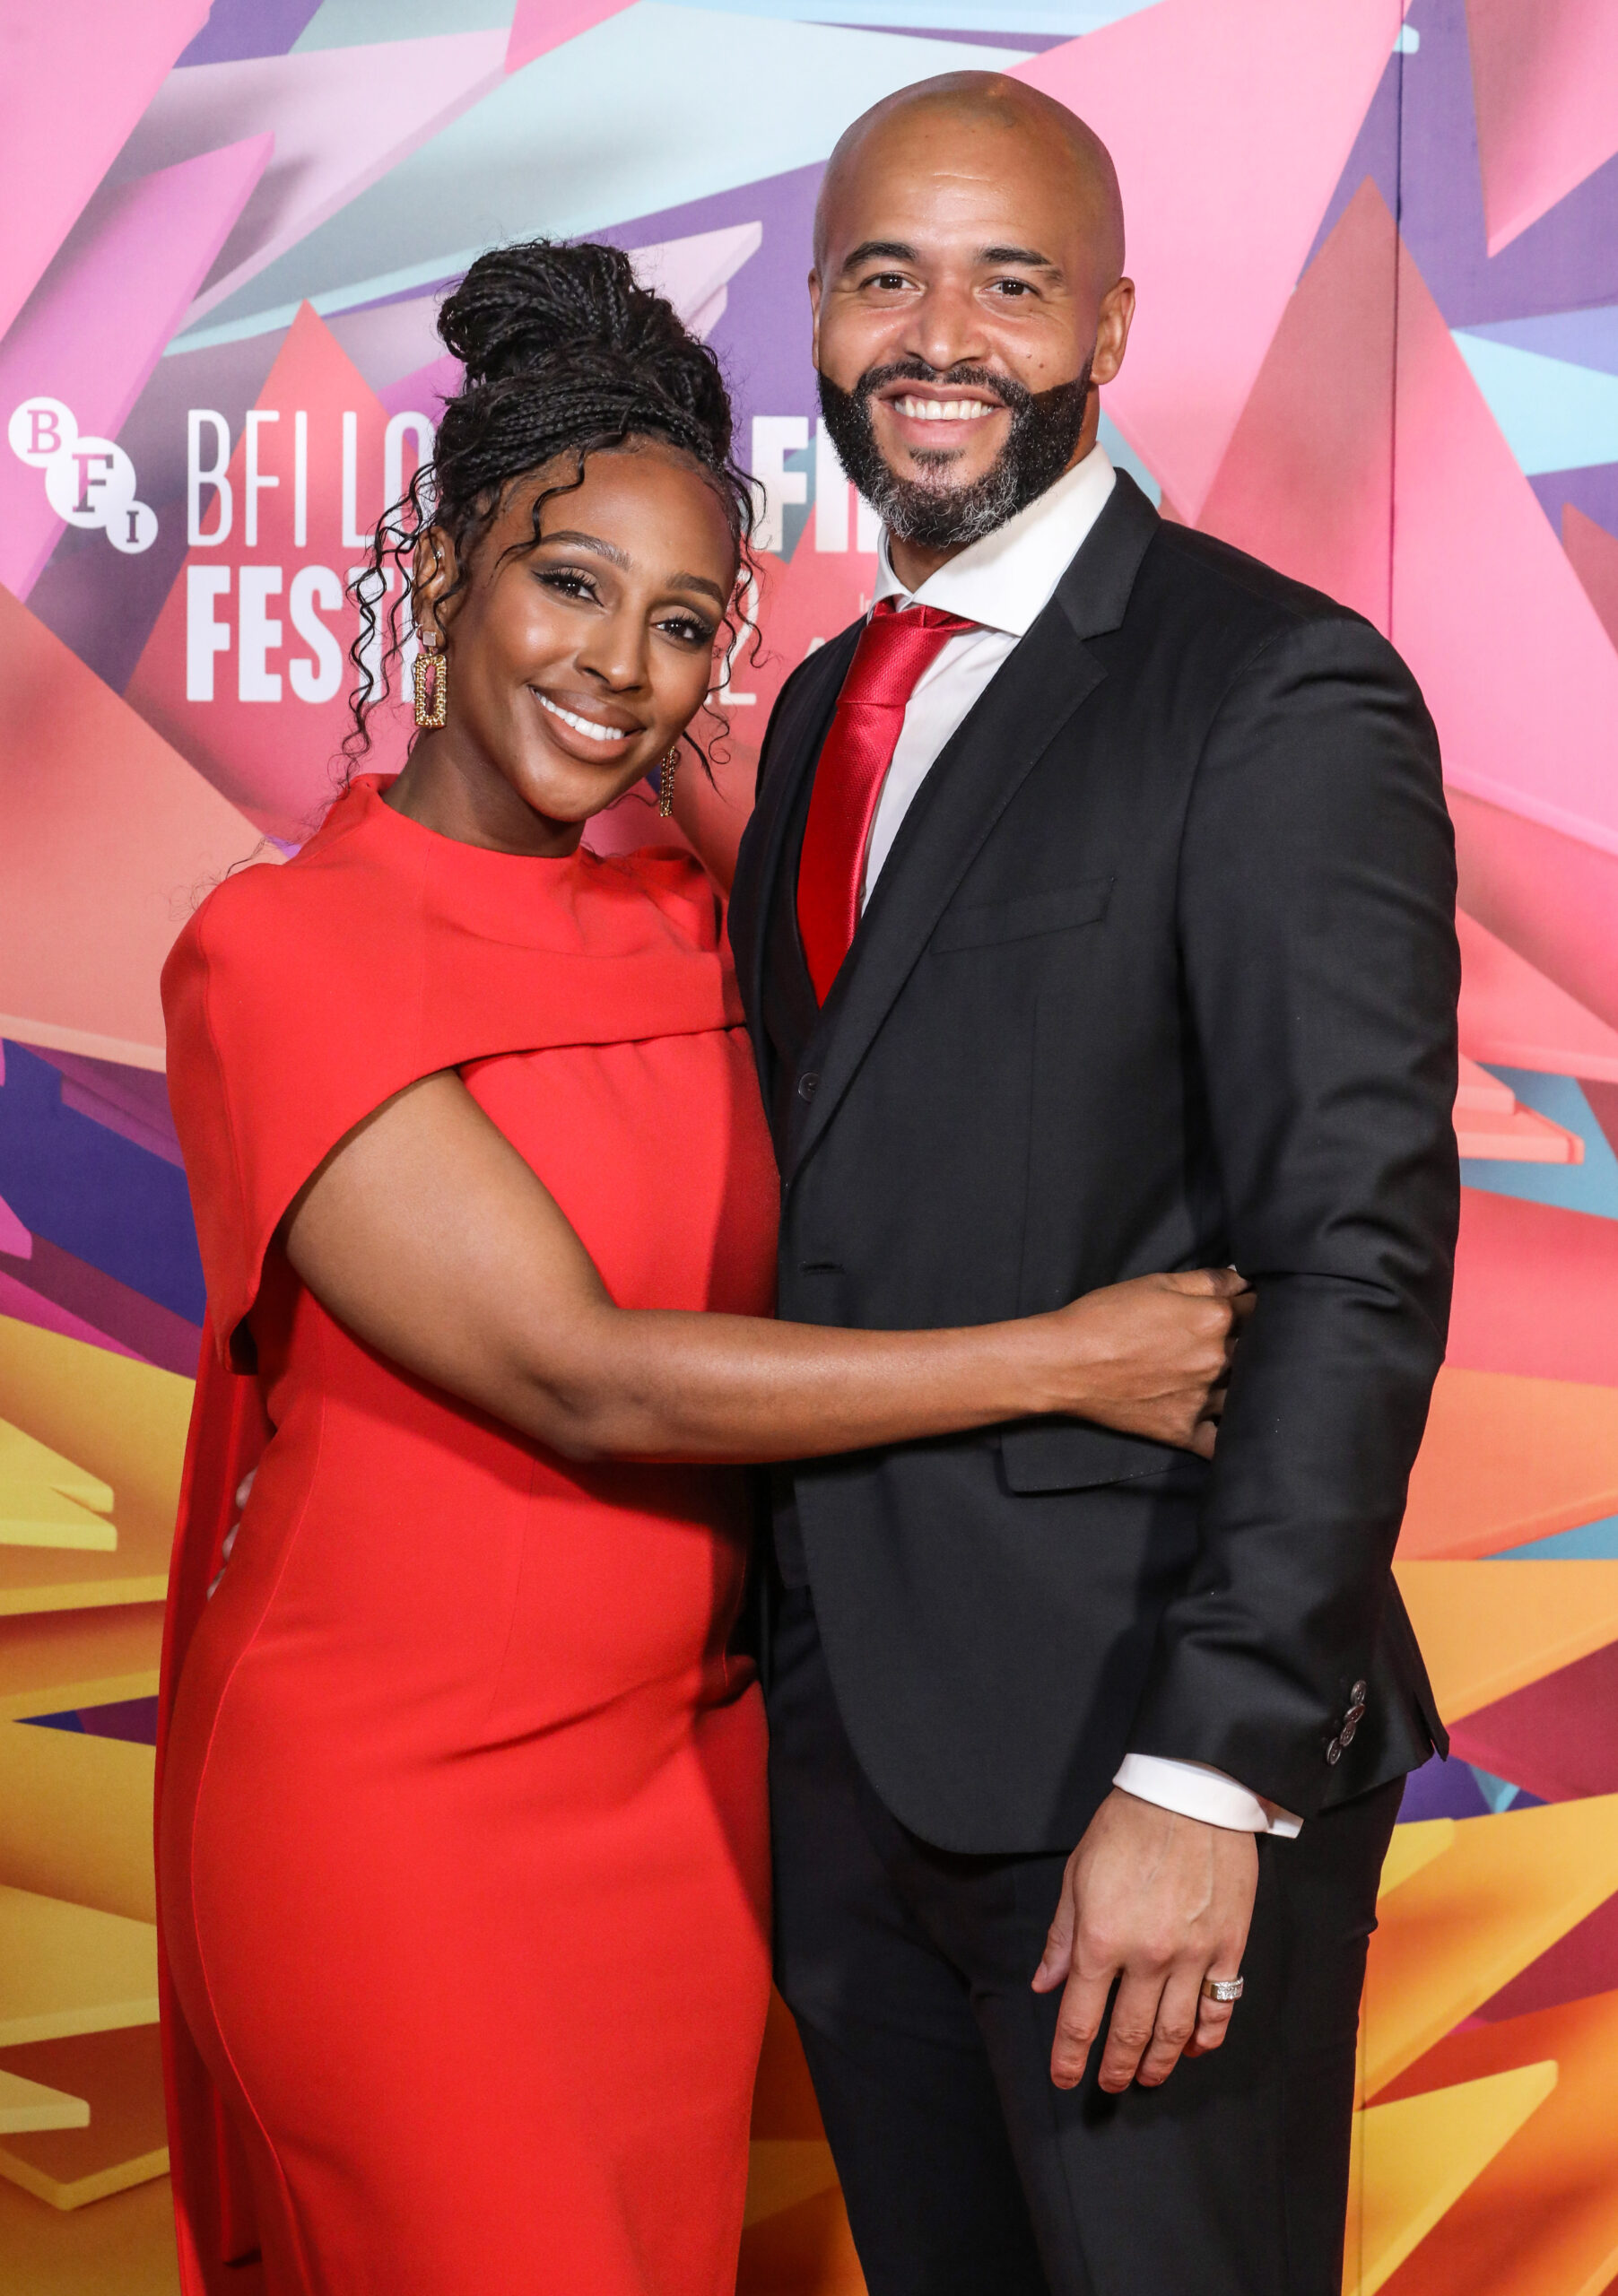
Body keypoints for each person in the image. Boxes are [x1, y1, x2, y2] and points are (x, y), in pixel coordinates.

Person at [153, 239, 1247, 2296]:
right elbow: (584, 1372)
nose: (616, 664)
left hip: (679, 1797)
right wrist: (1066, 1358)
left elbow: (925, 1007)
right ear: (442, 573)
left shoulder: (686, 913)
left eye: (678, 623)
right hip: (387, 1819)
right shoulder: (283, 949)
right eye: (564, 586)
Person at [726, 74, 1460, 2296]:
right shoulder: (818, 707)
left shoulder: (1268, 687)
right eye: (885, 276)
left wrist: (1210, 1773)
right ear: (820, 318)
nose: (939, 334)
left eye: (1007, 281)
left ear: (1108, 325)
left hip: (1138, 1758)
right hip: (853, 1752)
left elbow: (1350, 1253)